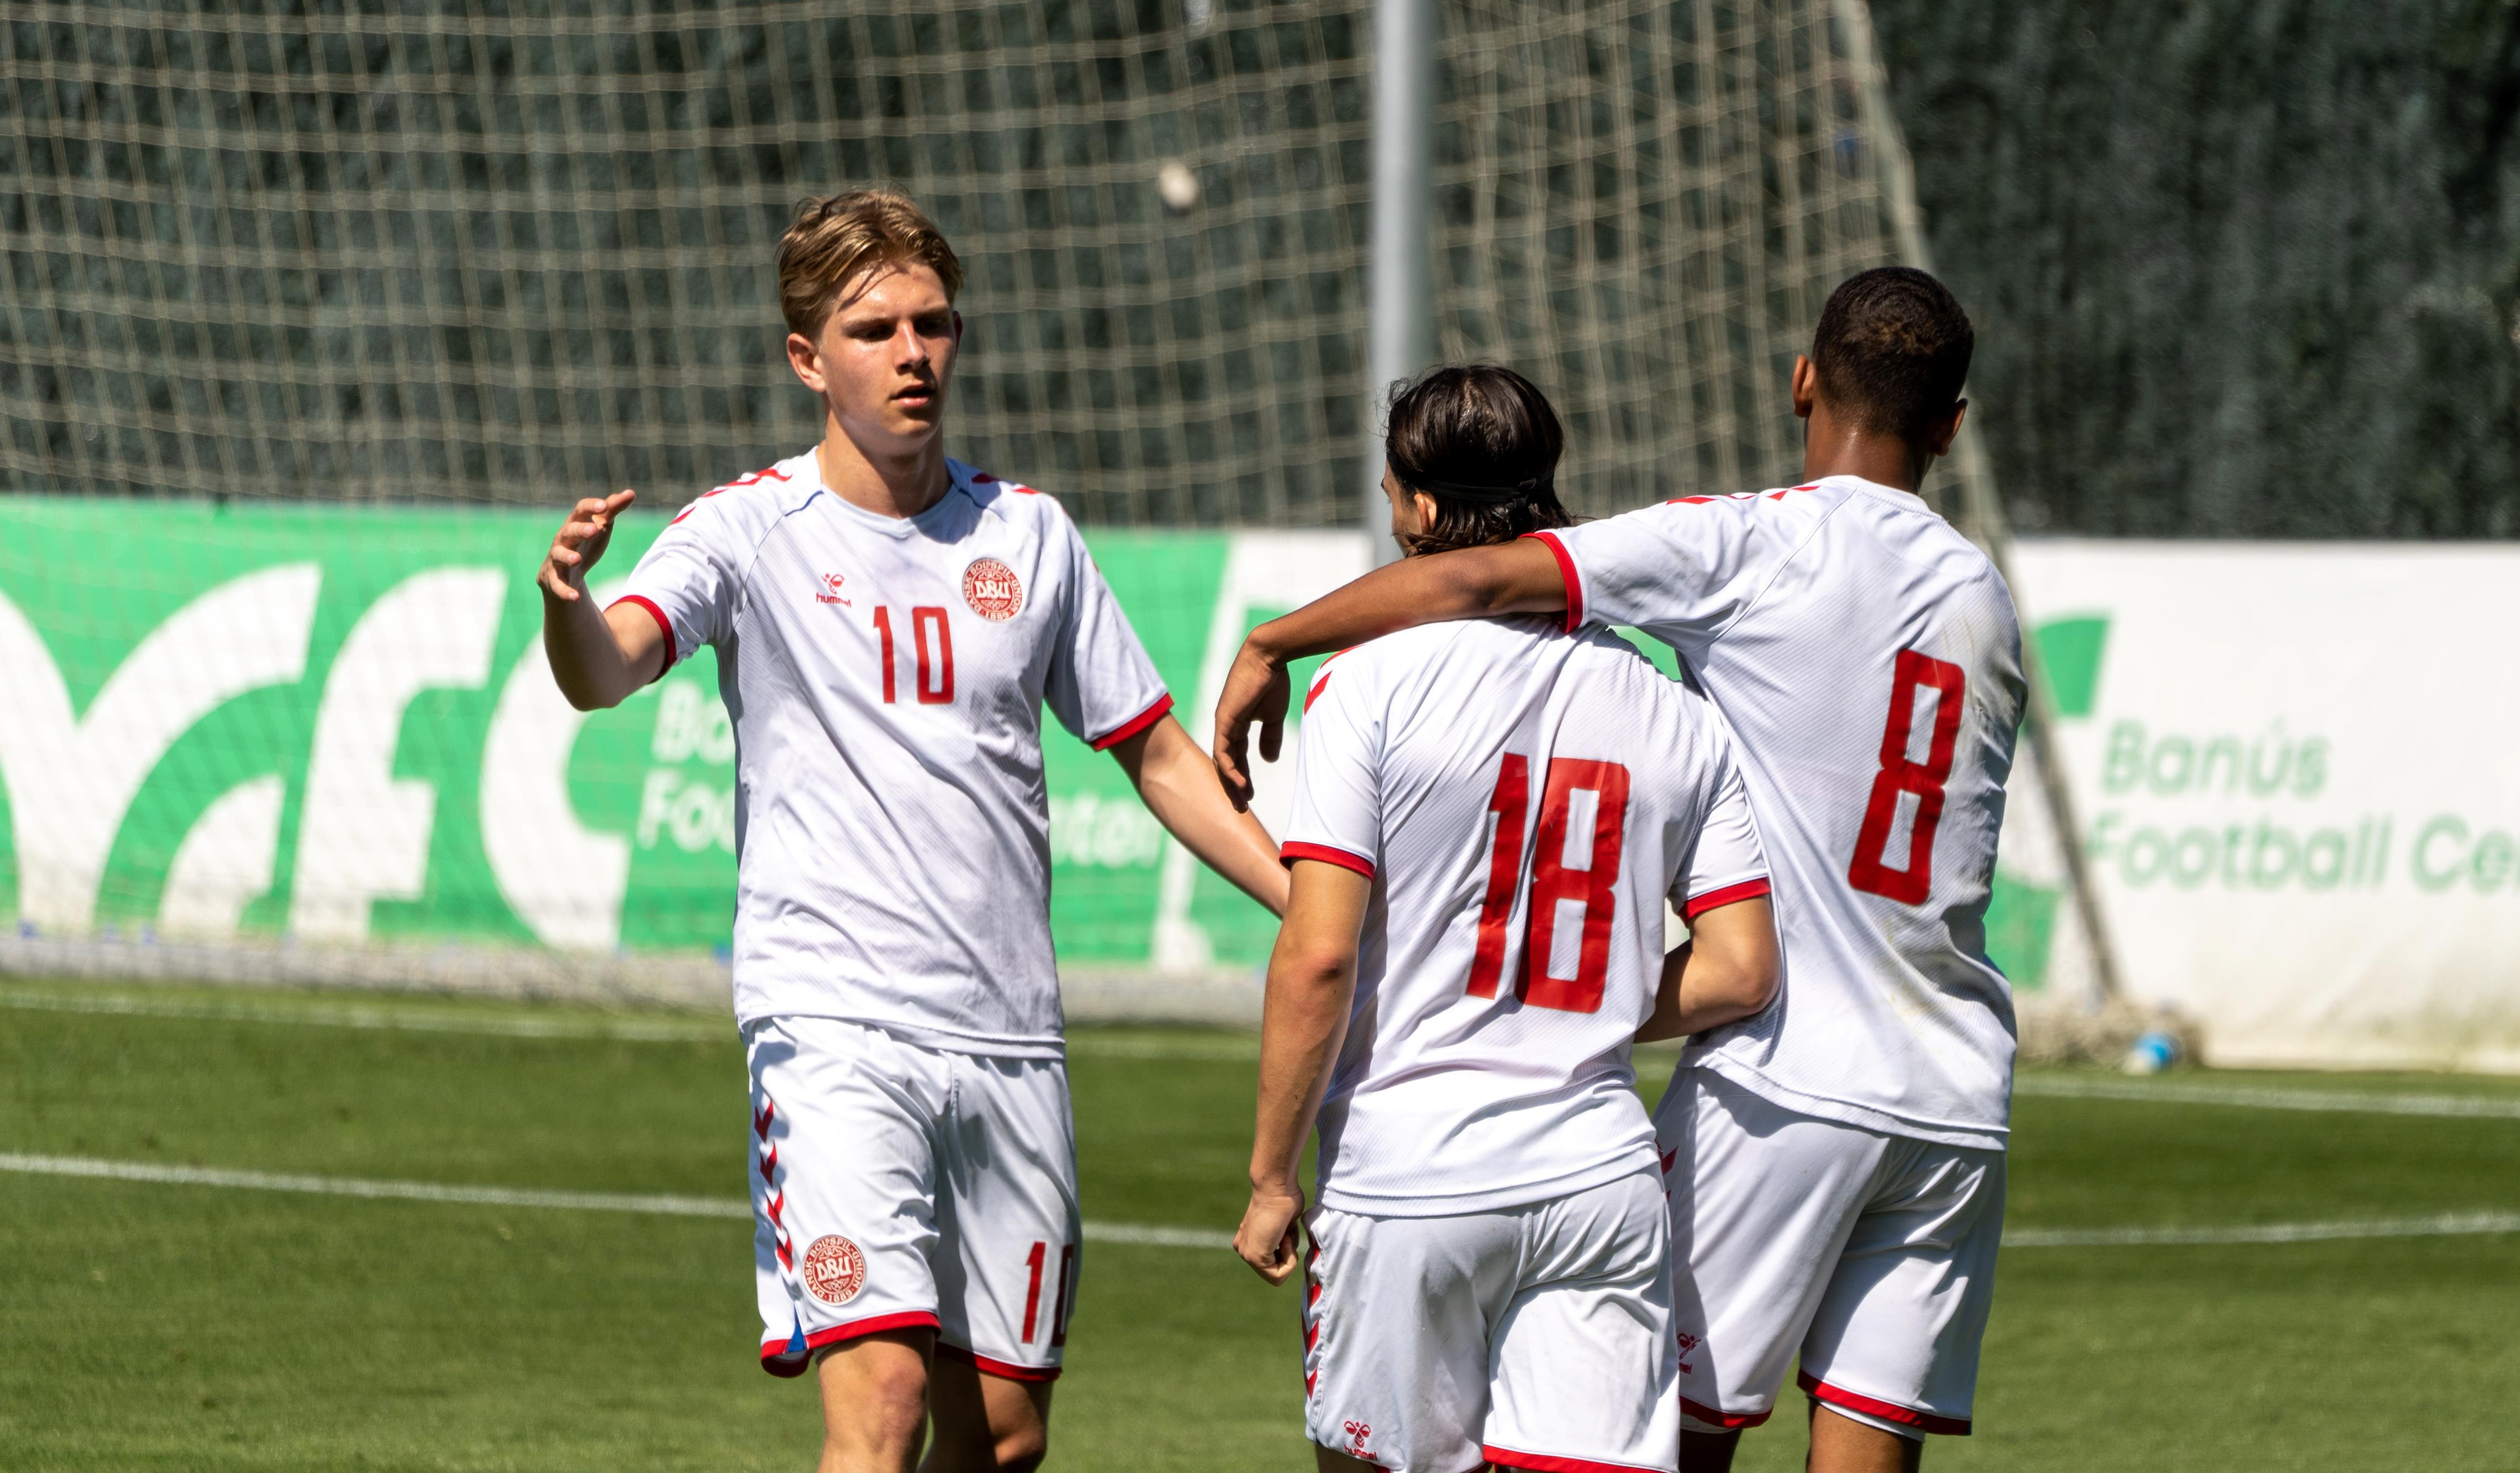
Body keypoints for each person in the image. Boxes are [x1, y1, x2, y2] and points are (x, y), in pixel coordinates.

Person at [1216, 270, 2023, 1473]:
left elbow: (1482, 580)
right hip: (1956, 1092)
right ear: (1954, 424)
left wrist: (1276, 636)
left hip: (1783, 1082)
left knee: (1684, 1448)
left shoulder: (1750, 541)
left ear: (1803, 381)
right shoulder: (1986, 602)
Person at [534, 188, 1287, 1473]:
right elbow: (606, 672)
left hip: (1009, 1036)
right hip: (834, 1030)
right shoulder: (748, 530)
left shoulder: (1029, 534)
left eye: (932, 324)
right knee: (878, 1411)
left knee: (1001, 1440)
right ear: (807, 358)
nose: (912, 353)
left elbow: (1156, 754)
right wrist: (567, 600)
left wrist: (1308, 898)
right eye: (874, 328)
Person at [1231, 365, 1783, 1473]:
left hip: (1406, 1178)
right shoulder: (1678, 711)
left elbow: (1322, 953)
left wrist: (1270, 1177)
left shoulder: (1367, 681)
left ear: (1423, 509)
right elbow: (1740, 971)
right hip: (1598, 1180)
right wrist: (1562, 1009)